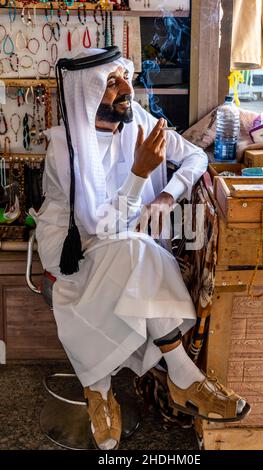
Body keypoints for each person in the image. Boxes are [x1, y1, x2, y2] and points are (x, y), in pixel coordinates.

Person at [35, 48, 250, 450]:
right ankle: (170, 378)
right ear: (87, 92)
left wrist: (167, 195)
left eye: (124, 78)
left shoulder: (139, 124)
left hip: (127, 250)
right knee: (137, 251)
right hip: (74, 251)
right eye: (110, 83)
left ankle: (104, 391)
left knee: (136, 252)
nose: (124, 89)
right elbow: (99, 226)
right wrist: (139, 174)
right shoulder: (67, 149)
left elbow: (196, 157)